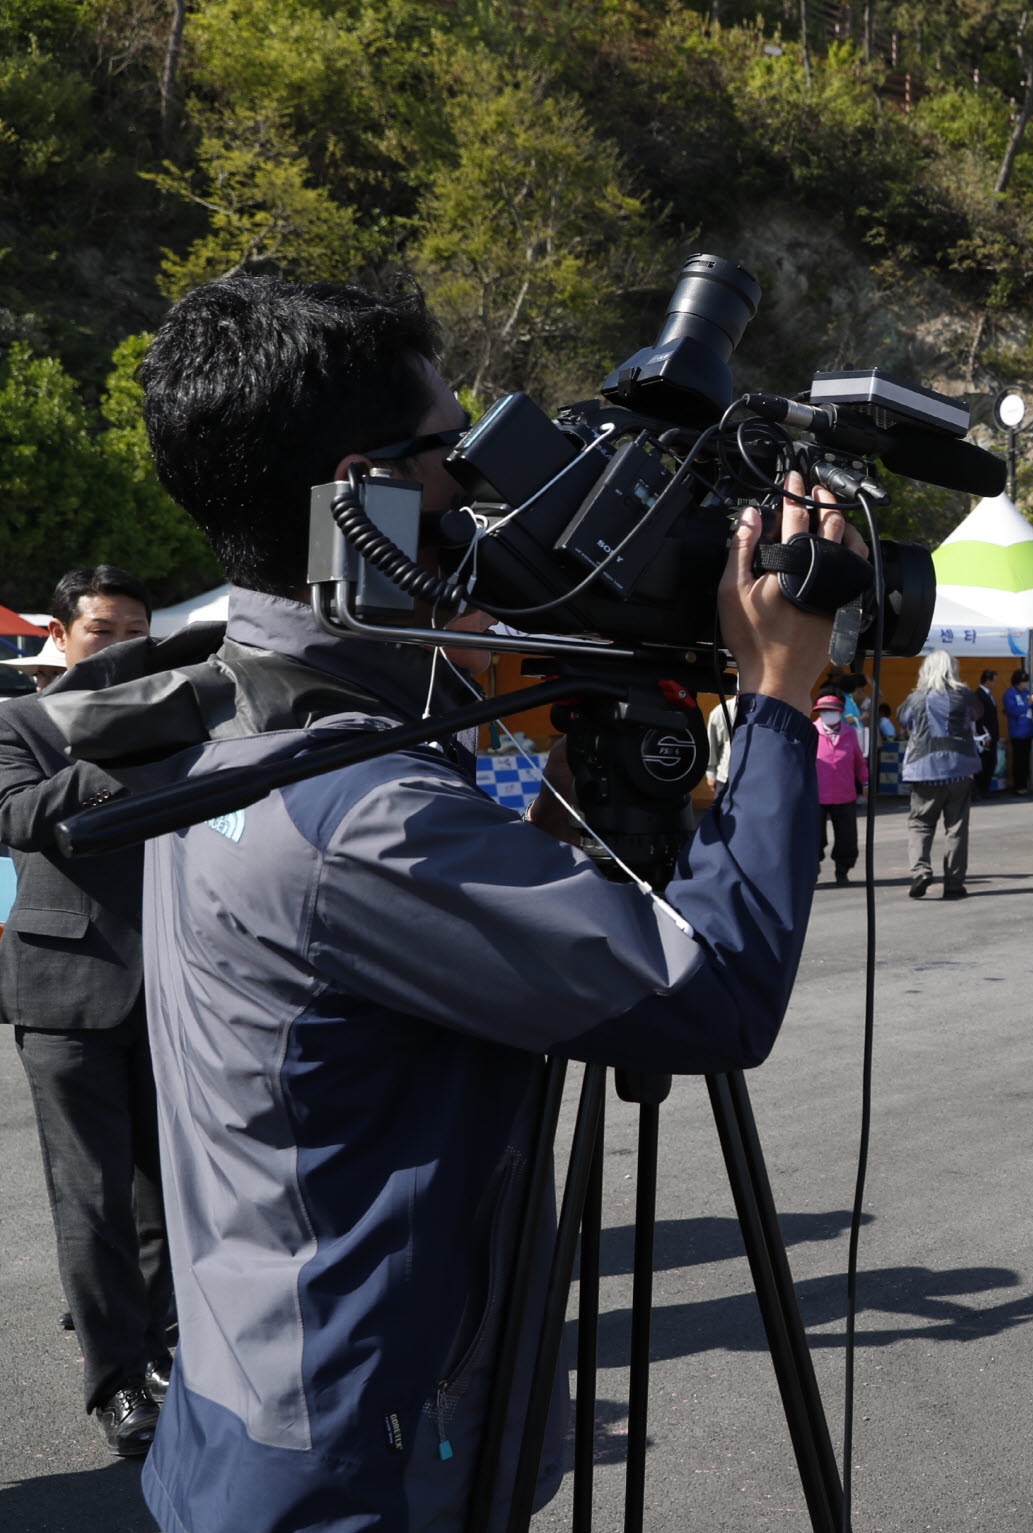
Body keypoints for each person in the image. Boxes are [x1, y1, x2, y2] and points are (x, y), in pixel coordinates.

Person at [84, 273, 850, 1533]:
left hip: (249, 1410)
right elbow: (711, 999)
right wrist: (775, 696)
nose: (481, 487)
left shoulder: (239, 735)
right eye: (449, 452)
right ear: (362, 496)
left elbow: (448, 941)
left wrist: (568, 753)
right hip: (354, 1470)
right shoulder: (361, 812)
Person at [0, 565, 176, 1457]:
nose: (123, 646)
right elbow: (20, 819)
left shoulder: (185, 718)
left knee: (170, 1193)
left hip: (179, 987)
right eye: (103, 630)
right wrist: (112, 758)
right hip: (65, 991)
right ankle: (116, 1381)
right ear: (61, 639)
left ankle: (167, 1351)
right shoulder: (16, 722)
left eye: (136, 630)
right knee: (92, 1199)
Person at [901, 649, 980, 900]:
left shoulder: (916, 697)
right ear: (953, 670)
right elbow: (978, 714)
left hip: (924, 769)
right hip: (960, 769)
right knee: (956, 827)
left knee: (920, 823)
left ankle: (921, 870)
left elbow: (904, 719)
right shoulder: (965, 695)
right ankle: (954, 883)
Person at [812, 693, 868, 885]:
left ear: (840, 713)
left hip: (845, 793)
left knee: (847, 837)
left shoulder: (850, 733)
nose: (829, 714)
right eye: (824, 711)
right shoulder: (811, 732)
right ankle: (812, 869)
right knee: (813, 837)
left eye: (832, 711)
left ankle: (842, 870)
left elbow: (860, 762)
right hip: (816, 795)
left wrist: (865, 783)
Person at [1003, 667, 1033, 793]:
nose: (1026, 684)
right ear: (1018, 682)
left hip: (1028, 731)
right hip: (1017, 732)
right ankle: (1019, 786)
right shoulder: (1010, 694)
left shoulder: (1027, 692)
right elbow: (1013, 711)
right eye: (1024, 682)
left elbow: (1032, 709)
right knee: (1018, 760)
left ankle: (1026, 783)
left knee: (1026, 759)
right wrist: (1028, 703)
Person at [973, 668, 1002, 795]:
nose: (996, 684)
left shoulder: (989, 695)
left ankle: (985, 787)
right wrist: (982, 734)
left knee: (991, 762)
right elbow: (978, 717)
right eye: (994, 681)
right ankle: (981, 789)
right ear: (987, 681)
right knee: (984, 762)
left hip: (992, 733)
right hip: (985, 735)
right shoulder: (979, 695)